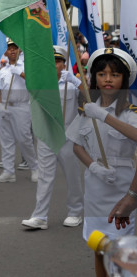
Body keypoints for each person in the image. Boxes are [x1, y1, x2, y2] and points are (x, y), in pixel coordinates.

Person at [68, 47, 137, 277]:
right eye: (102, 74)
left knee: (121, 249)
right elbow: (76, 144)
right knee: (97, 245)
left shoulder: (130, 110)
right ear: (94, 78)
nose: (108, 79)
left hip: (123, 187)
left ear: (124, 80)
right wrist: (93, 166)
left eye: (115, 75)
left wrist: (104, 116)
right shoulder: (88, 108)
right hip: (96, 187)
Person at [21, 46, 84, 230]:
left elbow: (91, 95)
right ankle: (40, 216)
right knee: (45, 177)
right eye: (51, 61)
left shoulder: (71, 85)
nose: (54, 65)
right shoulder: (39, 84)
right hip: (47, 135)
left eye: (58, 61)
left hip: (68, 136)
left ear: (64, 64)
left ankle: (75, 212)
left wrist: (76, 81)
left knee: (72, 176)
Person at [0, 39, 38, 183]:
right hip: (6, 107)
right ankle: (8, 171)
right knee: (6, 141)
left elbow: (35, 84)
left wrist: (21, 73)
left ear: (20, 50)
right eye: (9, 48)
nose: (12, 50)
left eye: (15, 48)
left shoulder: (26, 67)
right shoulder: (3, 70)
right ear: (5, 51)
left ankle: (35, 168)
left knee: (25, 140)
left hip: (22, 106)